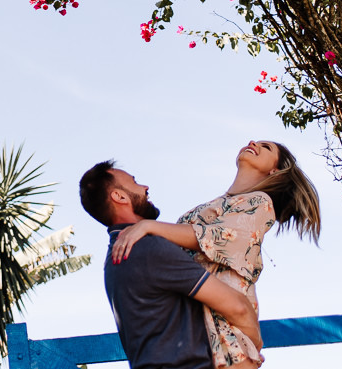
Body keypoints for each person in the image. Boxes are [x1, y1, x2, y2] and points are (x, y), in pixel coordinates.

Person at [109, 141, 321, 369]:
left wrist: (150, 227)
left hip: (227, 336)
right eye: (255, 142)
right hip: (196, 329)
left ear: (275, 171)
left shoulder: (261, 203)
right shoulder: (213, 204)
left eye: (266, 147)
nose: (252, 143)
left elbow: (218, 237)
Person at [79, 160, 263, 369]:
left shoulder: (115, 259)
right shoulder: (148, 248)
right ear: (119, 196)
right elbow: (238, 307)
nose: (145, 187)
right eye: (134, 182)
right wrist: (254, 345)